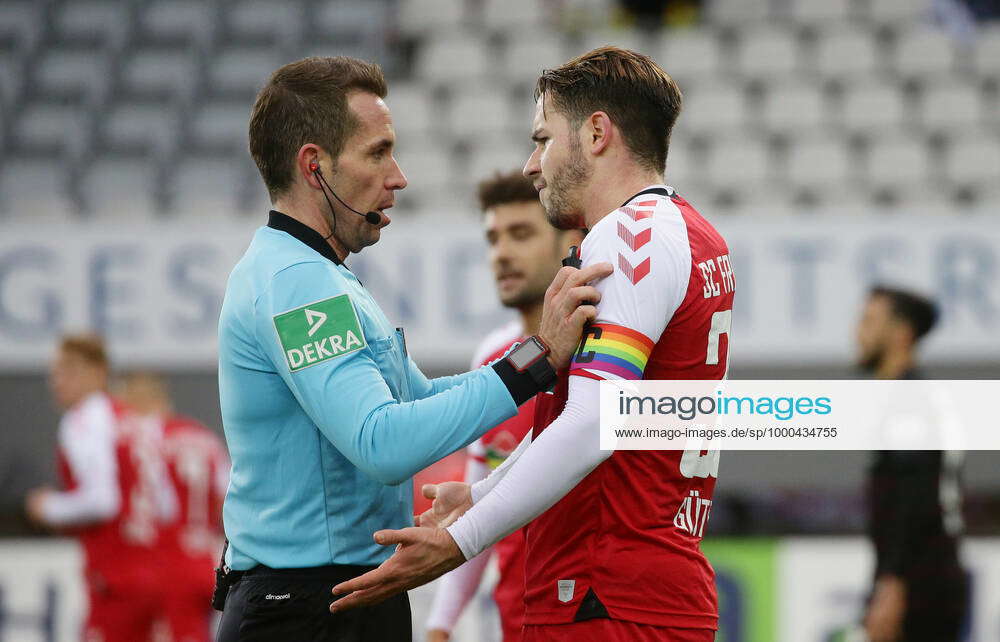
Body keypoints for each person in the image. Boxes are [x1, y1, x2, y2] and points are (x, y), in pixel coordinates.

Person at [330, 46, 735, 642]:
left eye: (544, 139)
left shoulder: (630, 235)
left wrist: (458, 541)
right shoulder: (698, 234)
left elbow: (594, 423)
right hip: (644, 580)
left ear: (597, 133)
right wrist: (481, 494)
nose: (531, 164)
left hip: (604, 588)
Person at [214, 56, 610, 641]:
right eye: (378, 152)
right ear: (314, 166)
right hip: (305, 608)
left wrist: (534, 357)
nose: (398, 176)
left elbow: (418, 398)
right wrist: (538, 359)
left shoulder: (322, 275)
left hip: (334, 596)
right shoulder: (296, 284)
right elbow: (383, 442)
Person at [425, 171, 585, 642]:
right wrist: (440, 625)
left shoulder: (604, 356)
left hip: (593, 615)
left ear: (570, 242)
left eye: (522, 234)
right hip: (518, 622)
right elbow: (474, 509)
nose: (501, 253)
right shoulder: (494, 359)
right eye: (493, 238)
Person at [24, 335, 174, 642]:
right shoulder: (131, 418)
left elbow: (102, 500)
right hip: (156, 572)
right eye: (54, 372)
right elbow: (166, 502)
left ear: (97, 372)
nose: (56, 382)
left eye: (67, 370)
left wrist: (47, 506)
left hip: (115, 577)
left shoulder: (83, 420)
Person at [856, 286, 967, 642]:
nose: (858, 331)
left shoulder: (910, 401)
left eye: (870, 321)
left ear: (901, 334)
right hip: (924, 577)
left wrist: (892, 583)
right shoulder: (915, 396)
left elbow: (916, 494)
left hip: (919, 584)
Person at [118, 372, 229, 642]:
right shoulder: (203, 436)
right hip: (205, 559)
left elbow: (155, 507)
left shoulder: (145, 441)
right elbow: (227, 500)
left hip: (165, 564)